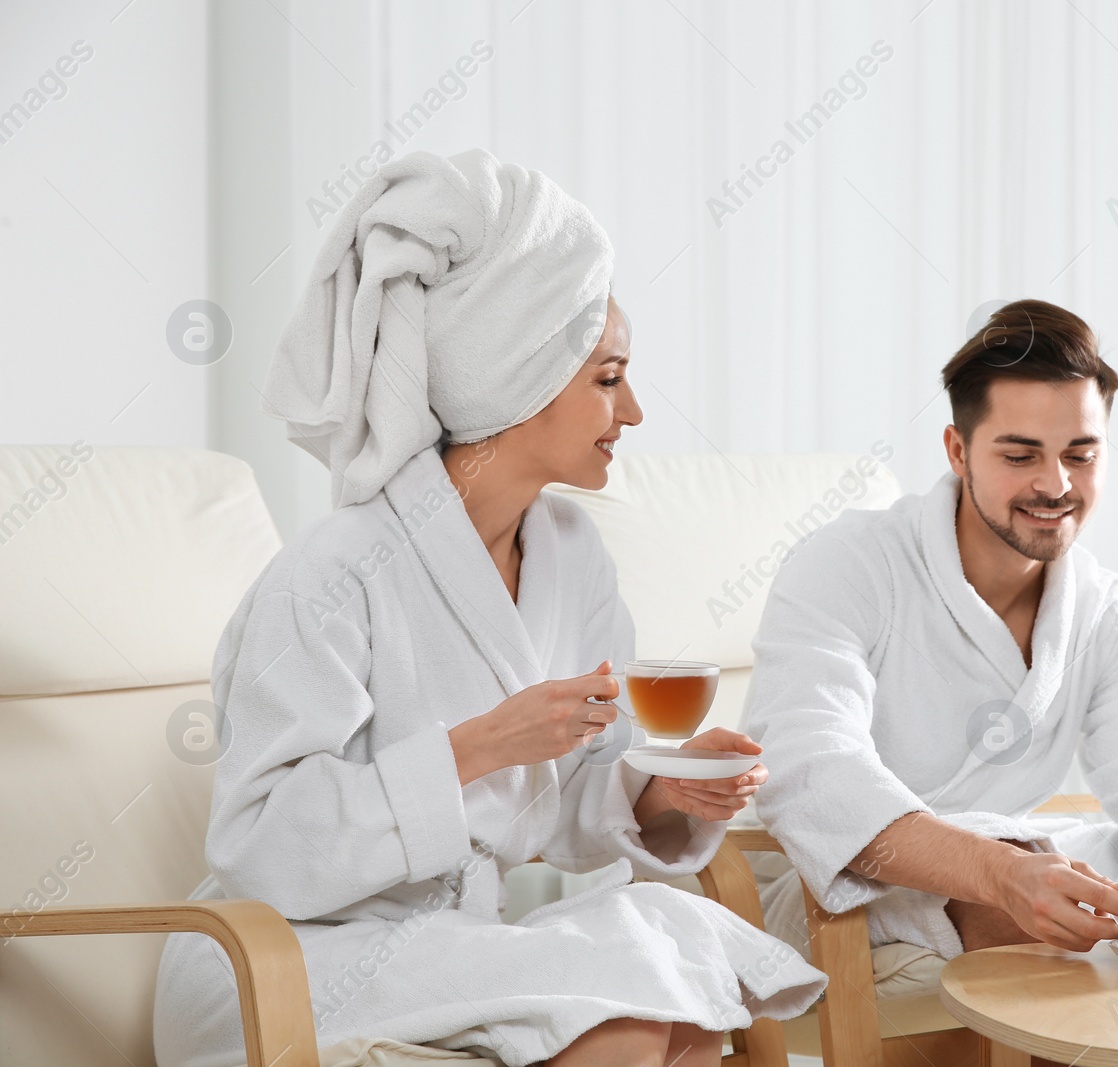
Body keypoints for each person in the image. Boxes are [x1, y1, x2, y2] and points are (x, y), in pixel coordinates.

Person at [152, 149, 824, 1067]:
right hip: (280, 957)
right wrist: (482, 743)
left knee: (681, 1003)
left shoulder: (571, 557)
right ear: (518, 378)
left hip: (452, 946)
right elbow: (260, 846)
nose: (632, 410)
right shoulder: (333, 572)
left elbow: (572, 796)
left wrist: (663, 788)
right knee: (630, 995)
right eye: (607, 376)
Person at [742, 299, 1118, 971]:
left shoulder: (1103, 610)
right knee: (1038, 886)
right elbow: (809, 770)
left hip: (1021, 857)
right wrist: (1000, 872)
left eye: (1081, 455)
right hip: (853, 883)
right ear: (958, 450)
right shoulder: (849, 562)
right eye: (1021, 454)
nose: (1055, 484)